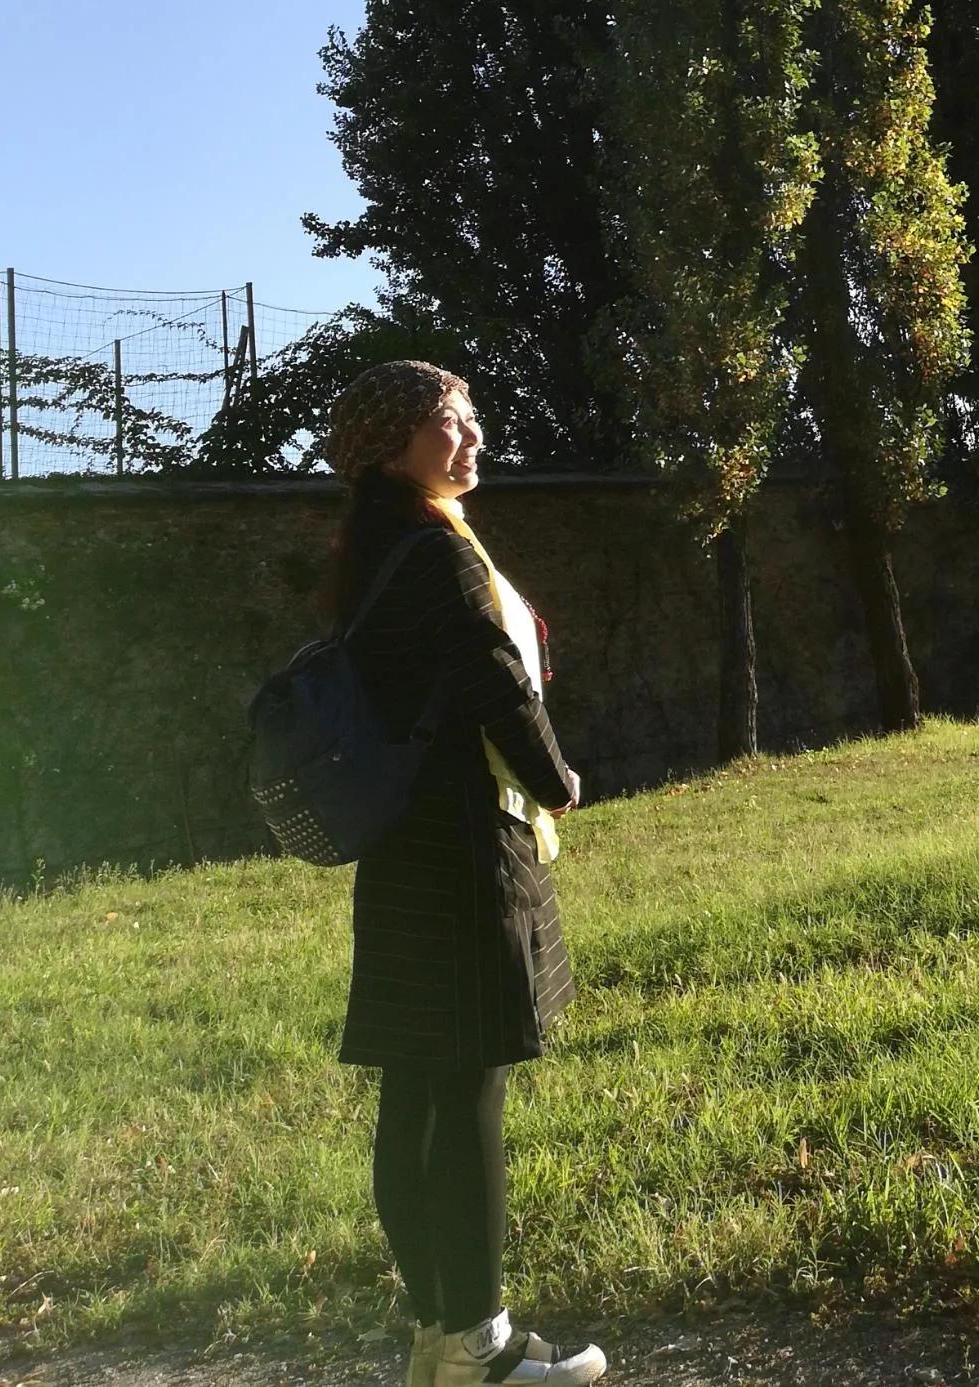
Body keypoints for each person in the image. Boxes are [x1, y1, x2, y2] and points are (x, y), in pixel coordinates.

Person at [323, 359, 606, 1387]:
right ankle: (481, 1348)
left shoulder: (374, 548)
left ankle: (438, 1333)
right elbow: (494, 682)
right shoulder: (434, 555)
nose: (474, 438)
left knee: (417, 1093)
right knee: (469, 1087)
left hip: (407, 851)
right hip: (464, 848)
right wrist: (559, 776)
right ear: (396, 445)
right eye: (453, 423)